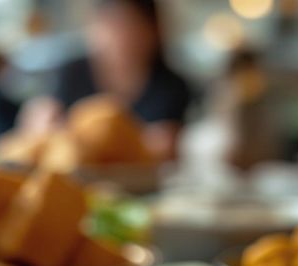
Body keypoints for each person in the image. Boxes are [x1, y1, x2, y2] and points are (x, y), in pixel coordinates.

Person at [50, 0, 192, 159]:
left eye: (129, 25)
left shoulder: (172, 87)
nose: (118, 37)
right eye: (110, 25)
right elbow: (51, 124)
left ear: (153, 30)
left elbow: (171, 143)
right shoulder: (72, 74)